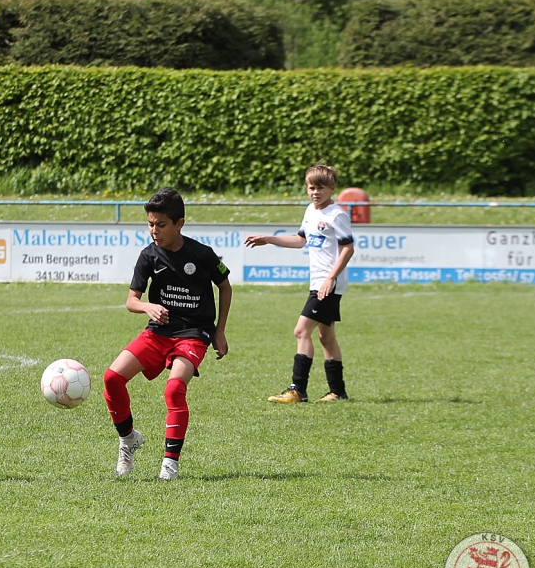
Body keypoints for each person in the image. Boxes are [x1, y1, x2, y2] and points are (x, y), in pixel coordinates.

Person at [103, 188, 232, 481]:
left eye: (161, 224)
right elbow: (131, 301)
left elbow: (225, 286)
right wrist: (147, 307)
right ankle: (128, 440)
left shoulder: (202, 254)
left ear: (179, 224)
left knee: (174, 389)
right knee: (112, 378)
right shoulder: (148, 255)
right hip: (158, 332)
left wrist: (219, 330)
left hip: (193, 334)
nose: (154, 230)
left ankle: (170, 464)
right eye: (150, 224)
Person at [244, 164, 354, 403]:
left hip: (328, 283)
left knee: (301, 331)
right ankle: (338, 392)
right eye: (311, 187)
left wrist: (330, 278)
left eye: (321, 188)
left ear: (332, 188)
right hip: (319, 281)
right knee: (326, 336)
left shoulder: (336, 215)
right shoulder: (311, 211)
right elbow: (300, 240)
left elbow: (348, 248)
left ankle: (298, 391)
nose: (316, 192)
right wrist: (269, 239)